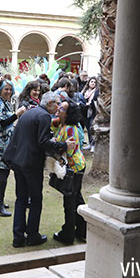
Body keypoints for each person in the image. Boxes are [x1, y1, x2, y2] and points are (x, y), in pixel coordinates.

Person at [3, 92, 77, 248]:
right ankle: (32, 235)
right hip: (30, 163)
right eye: (57, 103)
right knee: (35, 199)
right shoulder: (43, 116)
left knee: (21, 199)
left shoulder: (30, 113)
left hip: (18, 161)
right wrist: (63, 145)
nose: (58, 108)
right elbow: (43, 141)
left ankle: (18, 237)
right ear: (49, 102)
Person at [51, 100, 87, 245]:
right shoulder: (61, 124)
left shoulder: (71, 128)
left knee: (70, 200)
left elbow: (69, 149)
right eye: (59, 107)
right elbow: (51, 124)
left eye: (62, 109)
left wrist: (56, 146)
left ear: (69, 113)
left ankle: (68, 234)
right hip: (74, 166)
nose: (59, 109)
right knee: (76, 198)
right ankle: (82, 229)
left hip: (75, 167)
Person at [0, 80, 26, 217]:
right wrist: (17, 114)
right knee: (3, 172)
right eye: (6, 89)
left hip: (2, 140)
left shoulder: (3, 102)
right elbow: (2, 122)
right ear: (0, 89)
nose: (9, 92)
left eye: (10, 89)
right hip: (1, 142)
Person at [81, 77, 99, 151]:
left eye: (94, 82)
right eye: (91, 81)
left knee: (92, 128)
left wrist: (90, 104)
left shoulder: (96, 91)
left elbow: (95, 101)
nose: (93, 83)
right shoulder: (85, 91)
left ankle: (93, 145)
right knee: (88, 128)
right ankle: (90, 143)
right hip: (85, 112)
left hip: (92, 112)